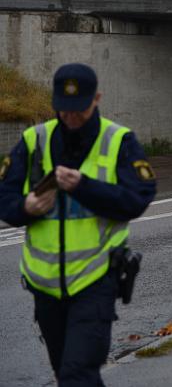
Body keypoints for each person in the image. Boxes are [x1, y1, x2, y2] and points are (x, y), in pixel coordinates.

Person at [0, 63, 156, 386]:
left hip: (95, 280)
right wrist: (25, 207)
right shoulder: (34, 140)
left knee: (77, 372)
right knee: (66, 373)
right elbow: (4, 197)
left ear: (96, 98)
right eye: (63, 109)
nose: (70, 117)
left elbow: (137, 198)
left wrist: (83, 187)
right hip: (44, 286)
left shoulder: (119, 141)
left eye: (79, 109)